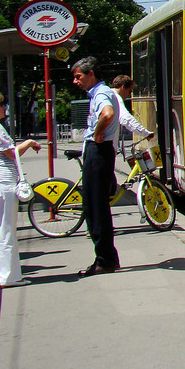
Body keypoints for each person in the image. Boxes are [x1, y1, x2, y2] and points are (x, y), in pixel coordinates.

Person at [0, 90, 41, 288]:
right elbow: (11, 153)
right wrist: (28, 143)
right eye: (0, 105)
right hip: (0, 184)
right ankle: (10, 277)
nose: (4, 108)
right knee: (5, 231)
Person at [72, 57, 121, 278]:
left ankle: (104, 259)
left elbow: (108, 114)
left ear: (91, 74)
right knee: (96, 205)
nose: (75, 81)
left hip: (98, 151)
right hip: (99, 152)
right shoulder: (100, 93)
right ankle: (106, 257)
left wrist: (98, 132)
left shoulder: (101, 93)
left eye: (78, 76)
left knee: (94, 207)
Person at [110, 75, 154, 155]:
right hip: (104, 146)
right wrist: (145, 133)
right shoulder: (115, 98)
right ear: (123, 87)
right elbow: (126, 118)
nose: (129, 95)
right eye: (129, 91)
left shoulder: (107, 95)